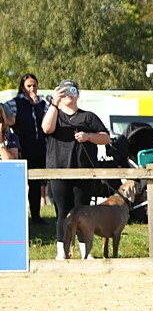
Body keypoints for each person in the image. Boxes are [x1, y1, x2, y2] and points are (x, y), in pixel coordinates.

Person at [40, 80, 111, 260]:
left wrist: (88, 136)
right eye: (64, 91)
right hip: (58, 171)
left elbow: (106, 138)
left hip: (84, 172)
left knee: (83, 213)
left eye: (72, 91)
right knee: (62, 213)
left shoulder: (88, 117)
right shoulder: (54, 113)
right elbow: (47, 128)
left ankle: (85, 253)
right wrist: (54, 103)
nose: (68, 95)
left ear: (78, 94)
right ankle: (61, 253)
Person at [12, 73, 49, 222]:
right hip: (23, 148)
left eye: (34, 85)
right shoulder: (15, 103)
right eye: (28, 86)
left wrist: (36, 104)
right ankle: (18, 217)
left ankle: (36, 216)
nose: (32, 89)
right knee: (19, 184)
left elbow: (46, 123)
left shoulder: (43, 104)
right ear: (22, 87)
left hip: (40, 148)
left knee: (36, 185)